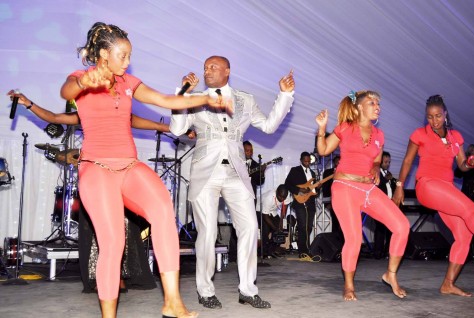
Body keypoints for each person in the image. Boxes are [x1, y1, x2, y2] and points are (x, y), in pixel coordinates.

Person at [57, 22, 227, 318]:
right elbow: (66, 91)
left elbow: (165, 99)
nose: (127, 61)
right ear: (103, 54)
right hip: (96, 169)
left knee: (163, 213)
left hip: (129, 166)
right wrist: (86, 82)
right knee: (112, 241)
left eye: (129, 56)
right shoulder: (81, 77)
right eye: (122, 56)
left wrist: (206, 98)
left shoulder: (129, 82)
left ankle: (172, 302)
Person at [5, 90, 176, 293]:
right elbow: (53, 117)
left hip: (122, 178)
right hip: (97, 180)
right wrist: (28, 103)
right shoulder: (86, 115)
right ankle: (100, 280)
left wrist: (177, 130)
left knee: (123, 231)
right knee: (99, 234)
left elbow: (157, 125)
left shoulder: (124, 116)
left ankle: (121, 277)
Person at [170, 55, 295, 309]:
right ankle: (205, 291)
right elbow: (177, 129)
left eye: (213, 67)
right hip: (206, 171)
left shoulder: (245, 99)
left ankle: (247, 289)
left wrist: (284, 96)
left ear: (227, 71)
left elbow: (269, 126)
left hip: (236, 173)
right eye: (205, 67)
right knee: (208, 232)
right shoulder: (195, 98)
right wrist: (182, 94)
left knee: (250, 227)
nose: (207, 71)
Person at [315, 90, 410, 301]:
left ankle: (390, 275)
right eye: (372, 102)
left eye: (378, 103)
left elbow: (376, 159)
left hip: (368, 189)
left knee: (402, 226)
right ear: (359, 107)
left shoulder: (379, 135)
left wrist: (376, 167)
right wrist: (321, 130)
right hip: (344, 187)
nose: (377, 106)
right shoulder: (345, 128)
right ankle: (349, 285)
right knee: (355, 239)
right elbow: (323, 150)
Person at [393, 95, 474, 297]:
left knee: (464, 235)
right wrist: (399, 186)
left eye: (438, 116)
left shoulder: (455, 137)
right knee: (471, 209)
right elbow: (407, 161)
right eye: (430, 117)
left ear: (445, 114)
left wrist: (471, 163)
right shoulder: (419, 134)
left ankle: (448, 284)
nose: (434, 121)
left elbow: (461, 165)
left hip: (447, 189)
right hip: (428, 186)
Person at [228, 140, 266, 262]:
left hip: (250, 198)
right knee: (236, 225)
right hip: (236, 197)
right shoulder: (235, 162)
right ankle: (233, 254)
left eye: (251, 151)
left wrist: (262, 173)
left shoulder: (255, 165)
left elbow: (260, 182)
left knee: (250, 225)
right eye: (247, 150)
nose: (249, 153)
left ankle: (249, 254)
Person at [285, 152, 319, 259]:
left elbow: (314, 190)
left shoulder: (313, 174)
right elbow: (287, 184)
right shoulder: (295, 170)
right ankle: (302, 251)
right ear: (301, 160)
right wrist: (299, 189)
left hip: (311, 203)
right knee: (302, 226)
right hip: (300, 202)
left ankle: (306, 248)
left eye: (309, 161)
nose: (307, 163)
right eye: (305, 161)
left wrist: (319, 186)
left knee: (308, 227)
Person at [373, 151, 396, 259]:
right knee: (380, 228)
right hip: (379, 205)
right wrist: (385, 180)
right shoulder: (376, 173)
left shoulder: (388, 174)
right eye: (386, 162)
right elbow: (375, 187)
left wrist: (392, 181)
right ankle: (378, 252)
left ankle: (388, 252)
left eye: (389, 162)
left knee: (390, 229)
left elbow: (392, 188)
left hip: (390, 204)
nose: (387, 164)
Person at [260, 184, 292, 258]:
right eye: (280, 196)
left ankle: (272, 250)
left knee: (279, 227)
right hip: (260, 210)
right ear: (277, 192)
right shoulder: (269, 197)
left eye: (284, 197)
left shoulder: (285, 196)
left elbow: (284, 209)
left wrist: (281, 222)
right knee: (266, 228)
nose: (282, 199)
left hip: (272, 211)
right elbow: (265, 215)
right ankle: (264, 252)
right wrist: (274, 228)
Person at [322, 155, 342, 234]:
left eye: (340, 162)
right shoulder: (328, 172)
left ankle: (343, 243)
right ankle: (335, 243)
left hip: (344, 202)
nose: (338, 163)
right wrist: (327, 203)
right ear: (334, 162)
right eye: (337, 161)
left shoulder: (345, 173)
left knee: (344, 223)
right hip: (333, 201)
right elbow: (325, 187)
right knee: (335, 222)